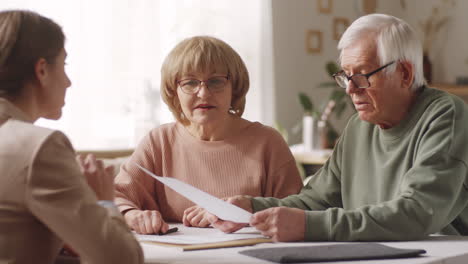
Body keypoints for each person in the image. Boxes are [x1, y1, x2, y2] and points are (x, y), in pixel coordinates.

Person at [209, 13, 468, 242]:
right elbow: (316, 200)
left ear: (404, 74)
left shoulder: (446, 114)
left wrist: (310, 226)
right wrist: (251, 209)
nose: (351, 89)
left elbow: (417, 212)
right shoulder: (359, 126)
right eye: (346, 76)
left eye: (363, 75)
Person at [114, 36, 303, 234]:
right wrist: (131, 215)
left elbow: (297, 211)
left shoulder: (268, 142)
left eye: (215, 81)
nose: (203, 93)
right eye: (190, 83)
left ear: (234, 87)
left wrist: (229, 213)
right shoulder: (158, 142)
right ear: (174, 91)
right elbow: (115, 197)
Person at [0, 10, 143, 263]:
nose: (68, 82)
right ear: (42, 70)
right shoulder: (40, 147)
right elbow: (121, 259)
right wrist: (103, 203)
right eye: (64, 65)